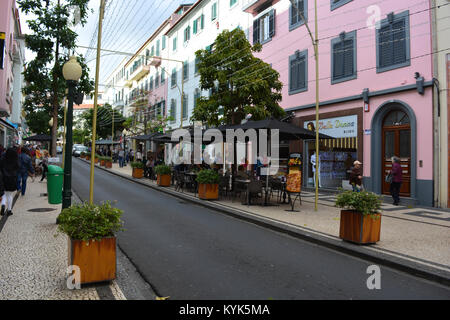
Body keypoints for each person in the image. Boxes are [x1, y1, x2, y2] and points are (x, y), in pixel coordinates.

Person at [1, 148, 20, 216]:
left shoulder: (3, 159)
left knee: (4, 194)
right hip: (12, 179)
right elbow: (18, 168)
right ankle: (9, 210)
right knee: (10, 195)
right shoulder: (15, 160)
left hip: (3, 178)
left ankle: (3, 205)